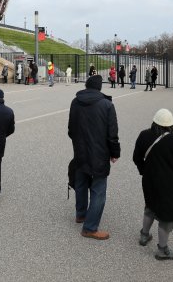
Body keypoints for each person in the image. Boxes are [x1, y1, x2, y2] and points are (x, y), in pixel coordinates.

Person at [133, 109, 173, 260]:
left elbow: (136, 157)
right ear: (171, 125)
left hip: (149, 180)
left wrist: (143, 171)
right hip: (170, 184)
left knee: (150, 206)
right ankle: (162, 249)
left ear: (154, 121)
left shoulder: (144, 135)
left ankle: (144, 235)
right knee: (166, 216)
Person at [68, 75, 120, 240]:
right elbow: (112, 134)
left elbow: (70, 129)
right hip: (99, 152)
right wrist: (114, 152)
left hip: (80, 150)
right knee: (98, 190)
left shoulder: (75, 102)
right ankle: (90, 228)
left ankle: (81, 214)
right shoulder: (107, 105)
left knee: (81, 182)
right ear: (99, 88)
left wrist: (78, 142)